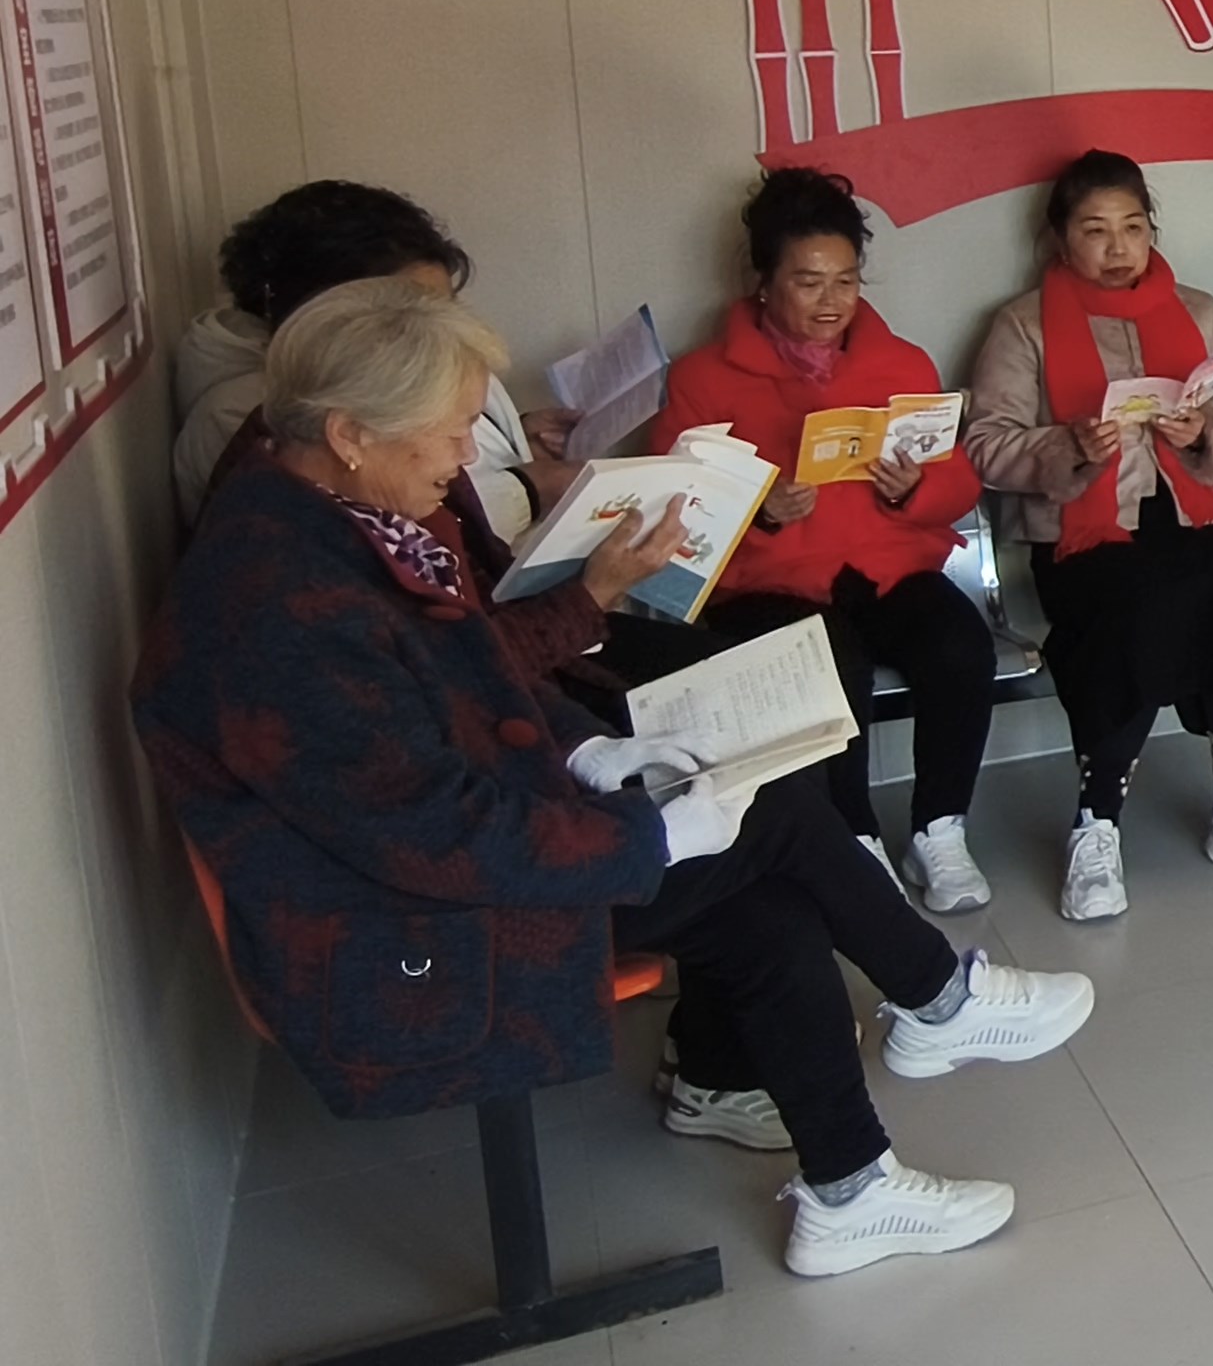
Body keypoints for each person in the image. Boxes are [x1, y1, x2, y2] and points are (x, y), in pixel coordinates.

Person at [134, 280, 1093, 1277]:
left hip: (460, 844)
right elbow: (435, 834)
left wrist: (595, 751)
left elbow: (469, 677)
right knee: (765, 812)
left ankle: (851, 1189)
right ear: (348, 434)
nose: (465, 457)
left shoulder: (337, 510)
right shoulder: (285, 606)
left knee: (764, 902)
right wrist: (652, 834)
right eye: (451, 432)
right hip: (398, 928)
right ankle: (937, 998)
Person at [648, 168, 999, 913]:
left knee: (960, 645)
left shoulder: (901, 363)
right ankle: (853, 837)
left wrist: (913, 488)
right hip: (765, 583)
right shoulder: (703, 378)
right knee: (826, 661)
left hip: (884, 568)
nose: (831, 302)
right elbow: (675, 512)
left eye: (846, 281)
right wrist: (761, 510)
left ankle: (939, 828)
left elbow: (961, 485)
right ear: (763, 284)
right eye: (808, 283)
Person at [963, 150, 1213, 920]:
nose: (1118, 248)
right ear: (1059, 239)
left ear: (1152, 232)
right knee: (1132, 608)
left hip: (1194, 515)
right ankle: (1097, 821)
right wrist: (1069, 445)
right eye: (1095, 230)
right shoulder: (1022, 325)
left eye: (1133, 228)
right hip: (1079, 534)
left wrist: (1205, 428)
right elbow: (985, 443)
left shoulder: (1198, 310)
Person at [172, 180, 573, 529]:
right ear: (333, 309)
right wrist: (528, 488)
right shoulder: (243, 415)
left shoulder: (373, 369)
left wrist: (509, 435)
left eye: (447, 307)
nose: (445, 332)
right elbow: (397, 532)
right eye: (416, 312)